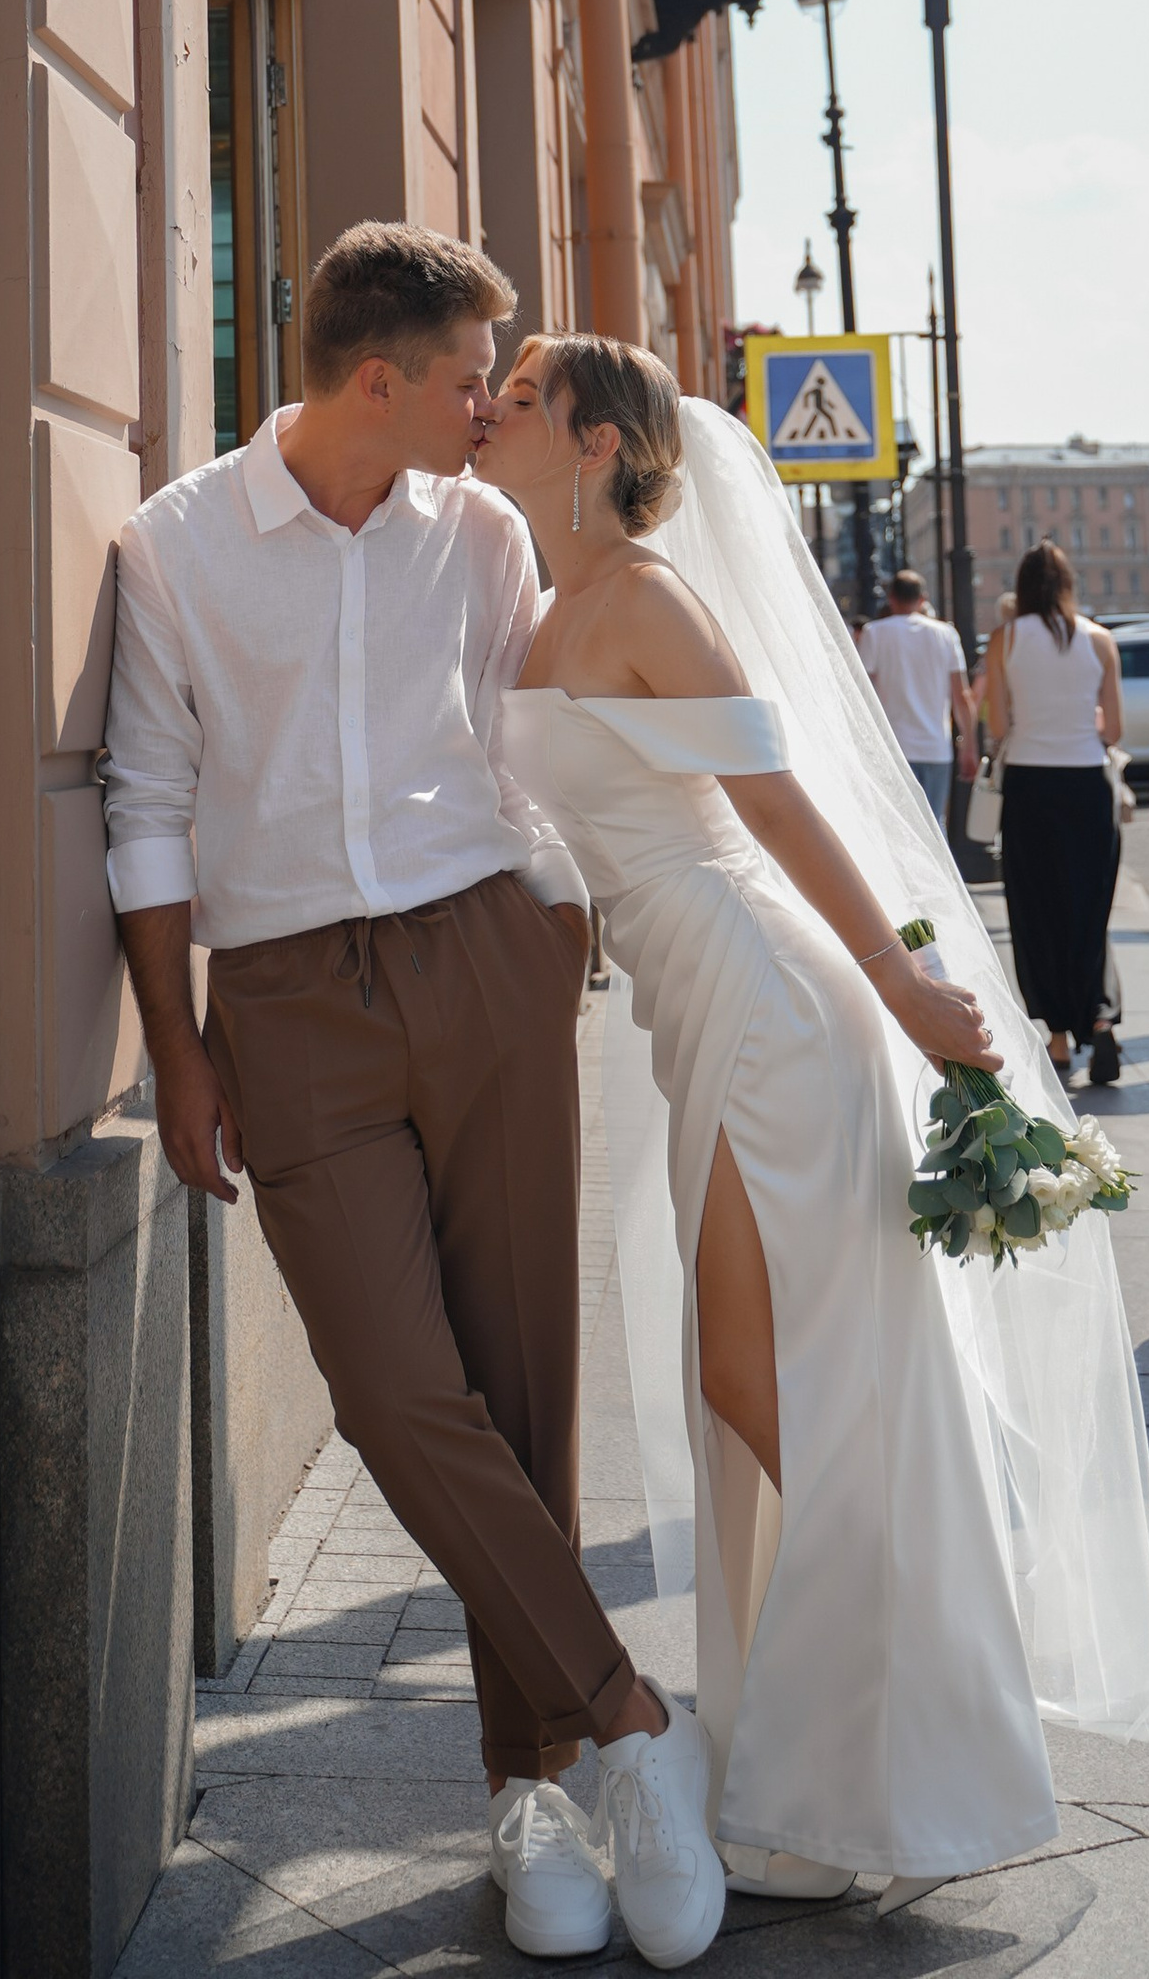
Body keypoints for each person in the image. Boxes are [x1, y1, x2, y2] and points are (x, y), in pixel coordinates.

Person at [477, 338, 1149, 1908]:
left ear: (592, 443)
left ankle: (912, 1684)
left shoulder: (648, 597)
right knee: (752, 1383)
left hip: (772, 998)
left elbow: (784, 810)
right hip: (689, 1006)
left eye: (518, 396)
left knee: (756, 1374)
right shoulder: (538, 607)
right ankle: (836, 1734)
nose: (489, 411)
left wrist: (912, 995)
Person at [101, 225, 713, 1968]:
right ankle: (631, 1724)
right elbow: (147, 805)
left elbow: (543, 719)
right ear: (378, 376)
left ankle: (528, 1800)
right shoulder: (179, 548)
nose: (488, 402)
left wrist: (578, 910)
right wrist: (181, 1044)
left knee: (522, 1384)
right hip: (291, 1005)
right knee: (393, 1388)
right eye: (469, 375)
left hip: (487, 962)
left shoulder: (487, 529)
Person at [978, 544, 1125, 1085]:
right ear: (1068, 585)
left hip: (1031, 786)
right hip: (1087, 783)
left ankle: (1059, 1039)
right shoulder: (1099, 639)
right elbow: (1114, 732)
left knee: (1036, 911)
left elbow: (998, 724)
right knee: (1089, 910)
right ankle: (1100, 1016)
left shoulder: (1005, 639)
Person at [856, 567, 975, 824]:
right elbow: (961, 695)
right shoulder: (946, 634)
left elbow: (862, 691)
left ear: (891, 598)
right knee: (934, 827)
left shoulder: (874, 633)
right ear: (923, 599)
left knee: (897, 827)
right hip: (935, 746)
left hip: (893, 745)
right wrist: (969, 746)